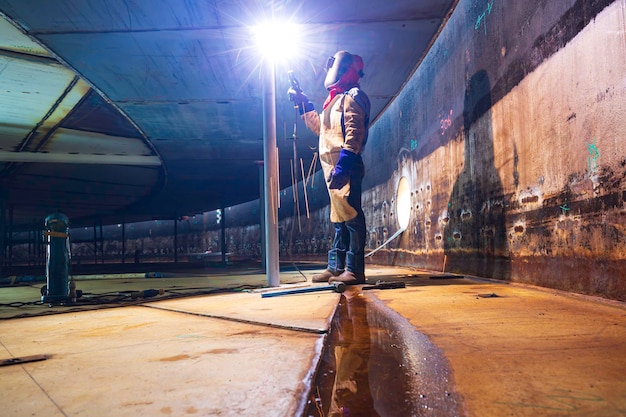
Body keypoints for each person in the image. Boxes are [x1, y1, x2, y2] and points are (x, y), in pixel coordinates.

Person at [289, 51, 371, 285]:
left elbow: (355, 133)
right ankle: (336, 267)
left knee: (352, 217)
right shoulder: (334, 101)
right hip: (332, 167)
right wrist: (304, 103)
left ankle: (354, 270)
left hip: (346, 165)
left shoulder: (353, 96)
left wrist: (344, 165)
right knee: (339, 218)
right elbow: (321, 128)